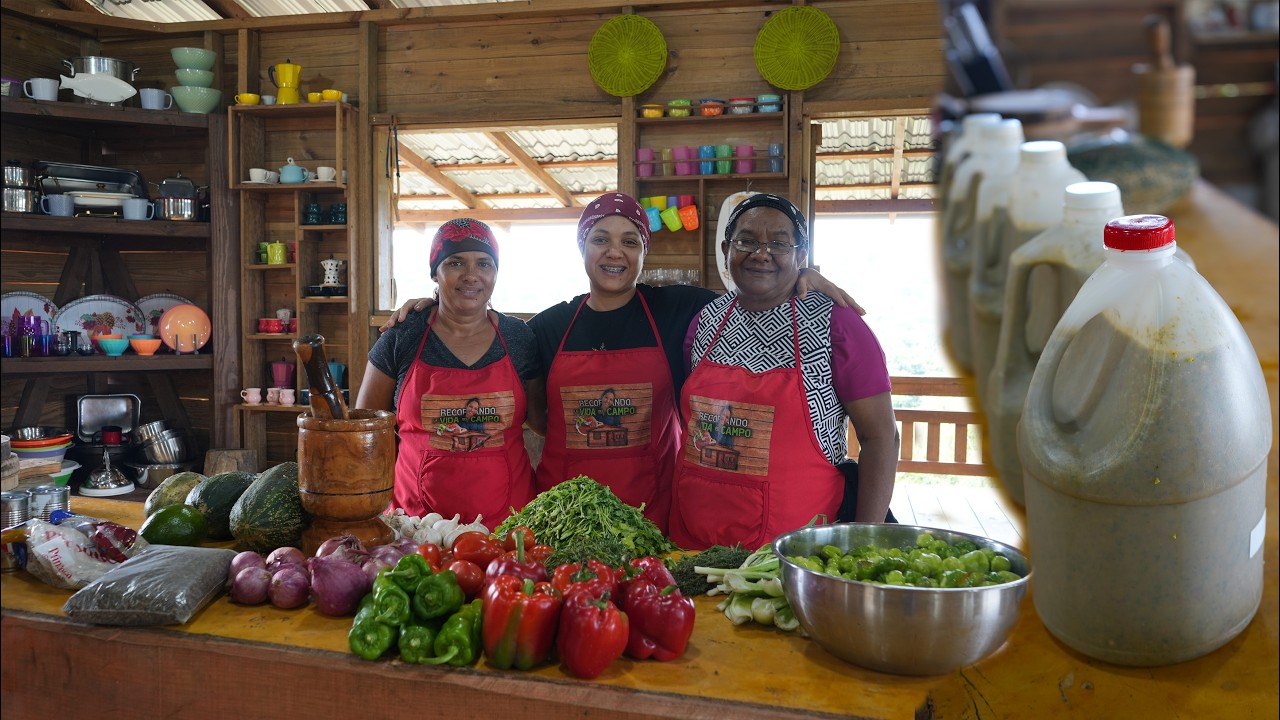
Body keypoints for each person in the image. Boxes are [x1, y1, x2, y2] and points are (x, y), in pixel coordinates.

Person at [383, 192, 862, 534]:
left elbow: (756, 283)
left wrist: (803, 272)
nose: (615, 252)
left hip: (650, 518)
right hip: (559, 520)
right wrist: (429, 304)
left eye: (630, 241)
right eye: (600, 239)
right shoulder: (546, 328)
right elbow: (537, 419)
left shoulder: (680, 311)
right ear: (582, 248)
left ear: (643, 253)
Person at [669, 193, 900, 551]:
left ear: (801, 256)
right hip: (692, 543)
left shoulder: (836, 325)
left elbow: (881, 438)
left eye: (779, 243)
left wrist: (863, 541)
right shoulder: (704, 320)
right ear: (728, 251)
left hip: (796, 555)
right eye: (746, 241)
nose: (761, 253)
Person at [355, 218, 537, 529]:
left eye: (484, 263)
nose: (471, 275)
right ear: (435, 272)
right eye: (455, 262)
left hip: (510, 529)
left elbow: (543, 420)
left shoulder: (519, 338)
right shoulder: (403, 336)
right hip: (416, 528)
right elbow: (363, 432)